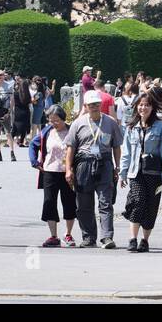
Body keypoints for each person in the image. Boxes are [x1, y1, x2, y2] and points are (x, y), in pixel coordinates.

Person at [64, 90, 124, 249]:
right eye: (91, 105)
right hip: (83, 164)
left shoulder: (110, 122)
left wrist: (117, 166)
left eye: (97, 104)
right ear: (86, 106)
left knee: (106, 202)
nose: (95, 107)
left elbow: (117, 146)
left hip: (104, 163)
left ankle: (107, 237)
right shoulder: (78, 123)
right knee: (84, 204)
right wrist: (68, 169)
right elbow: (70, 148)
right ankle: (89, 237)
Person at [119, 88, 162, 252]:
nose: (143, 108)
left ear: (152, 107)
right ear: (136, 107)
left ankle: (145, 240)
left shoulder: (160, 126)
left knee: (151, 206)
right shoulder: (131, 127)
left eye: (147, 105)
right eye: (141, 105)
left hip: (154, 172)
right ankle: (132, 239)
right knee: (138, 201)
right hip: (136, 172)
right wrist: (122, 173)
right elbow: (126, 152)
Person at [34, 105, 77, 247]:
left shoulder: (72, 131)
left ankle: (68, 234)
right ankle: (53, 236)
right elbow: (32, 145)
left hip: (67, 172)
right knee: (49, 202)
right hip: (49, 172)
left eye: (57, 120)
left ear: (63, 118)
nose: (54, 123)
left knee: (69, 202)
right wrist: (34, 161)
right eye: (51, 120)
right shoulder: (46, 131)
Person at [12, 76, 32, 146]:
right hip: (26, 111)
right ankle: (21, 141)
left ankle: (13, 139)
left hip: (18, 111)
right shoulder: (27, 94)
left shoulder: (16, 93)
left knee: (16, 125)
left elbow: (13, 103)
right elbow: (30, 102)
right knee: (24, 126)